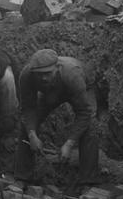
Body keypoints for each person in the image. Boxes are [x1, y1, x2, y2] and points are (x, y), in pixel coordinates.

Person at [15, 48, 99, 186]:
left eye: (48, 73)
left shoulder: (72, 75)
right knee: (27, 125)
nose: (43, 78)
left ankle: (89, 182)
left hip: (80, 88)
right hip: (50, 92)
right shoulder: (27, 75)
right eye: (39, 75)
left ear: (57, 67)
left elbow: (84, 112)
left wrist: (69, 143)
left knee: (90, 129)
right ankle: (22, 177)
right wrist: (31, 135)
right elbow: (27, 109)